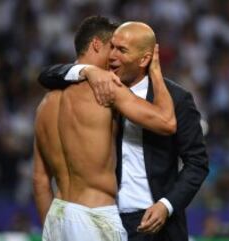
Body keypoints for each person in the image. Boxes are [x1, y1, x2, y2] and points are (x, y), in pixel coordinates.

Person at [39, 18, 209, 241]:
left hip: (159, 222)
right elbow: (47, 75)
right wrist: (86, 70)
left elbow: (197, 163)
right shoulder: (102, 88)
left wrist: (166, 205)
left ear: (144, 59)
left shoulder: (176, 98)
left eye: (121, 50)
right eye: (112, 47)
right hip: (111, 218)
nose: (111, 56)